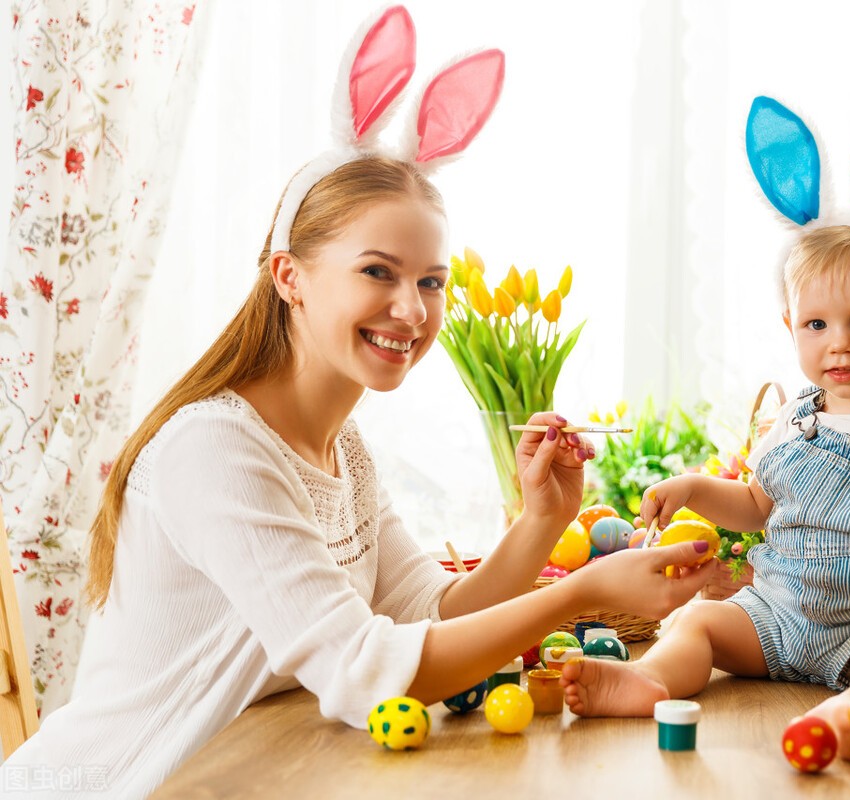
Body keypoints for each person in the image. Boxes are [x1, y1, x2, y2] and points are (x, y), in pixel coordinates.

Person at [0, 9, 715, 798]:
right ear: (289, 277)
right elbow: (366, 672)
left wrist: (541, 522)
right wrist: (578, 593)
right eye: (378, 271)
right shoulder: (215, 450)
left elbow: (426, 614)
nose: (412, 310)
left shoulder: (342, 449)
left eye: (431, 281)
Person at [561, 77, 850, 766]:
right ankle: (647, 682)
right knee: (700, 620)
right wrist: (692, 489)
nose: (841, 343)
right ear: (790, 327)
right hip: (776, 617)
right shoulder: (795, 422)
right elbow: (757, 505)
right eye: (818, 324)